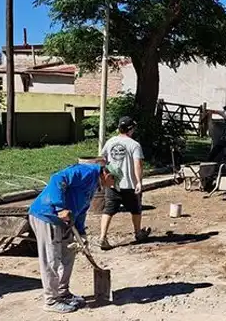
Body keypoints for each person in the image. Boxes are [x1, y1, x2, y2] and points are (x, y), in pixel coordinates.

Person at [28, 162, 117, 313]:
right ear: (107, 175)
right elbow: (57, 179)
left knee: (68, 255)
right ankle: (51, 300)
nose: (113, 186)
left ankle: (63, 293)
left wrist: (81, 233)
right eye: (114, 181)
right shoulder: (86, 172)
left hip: (66, 220)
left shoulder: (95, 184)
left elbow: (81, 208)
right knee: (52, 259)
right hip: (47, 215)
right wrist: (60, 207)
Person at [97, 116, 150, 251]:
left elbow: (102, 159)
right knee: (136, 209)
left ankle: (102, 237)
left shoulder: (110, 142)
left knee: (108, 209)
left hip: (113, 183)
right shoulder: (134, 145)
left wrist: (105, 175)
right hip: (129, 184)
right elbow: (137, 164)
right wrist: (138, 182)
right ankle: (138, 233)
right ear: (131, 129)